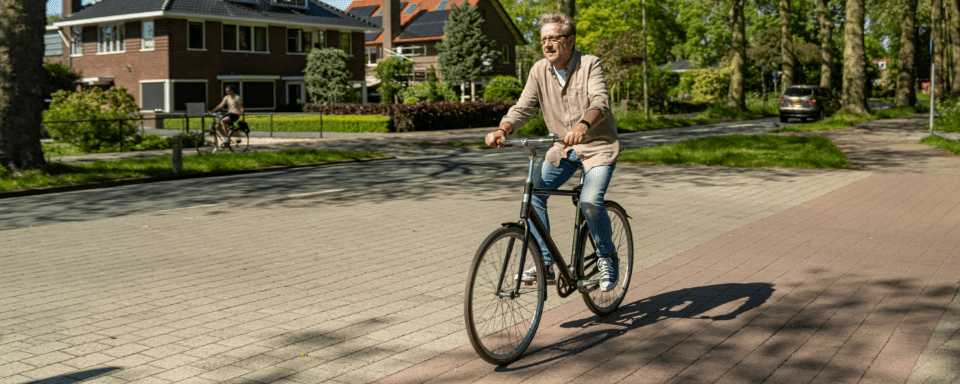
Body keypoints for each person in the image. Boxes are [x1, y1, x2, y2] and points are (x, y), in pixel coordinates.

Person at [485, 12, 621, 292]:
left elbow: (600, 101)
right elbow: (524, 107)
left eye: (554, 38)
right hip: (562, 150)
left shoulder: (590, 64)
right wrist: (503, 129)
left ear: (569, 41)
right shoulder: (538, 70)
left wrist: (584, 125)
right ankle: (546, 265)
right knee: (534, 192)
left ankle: (607, 256)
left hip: (597, 148)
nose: (547, 44)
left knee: (590, 201)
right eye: (543, 39)